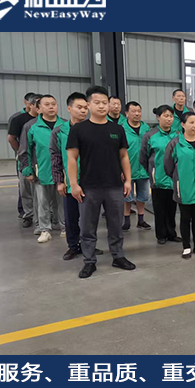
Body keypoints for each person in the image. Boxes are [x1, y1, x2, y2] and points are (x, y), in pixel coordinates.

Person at [67, 86, 136, 279]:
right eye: (96, 102)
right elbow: (71, 159)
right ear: (88, 105)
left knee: (116, 225)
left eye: (104, 102)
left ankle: (118, 256)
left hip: (114, 186)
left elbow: (124, 156)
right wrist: (73, 184)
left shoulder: (117, 129)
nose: (101, 106)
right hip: (89, 187)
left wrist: (128, 180)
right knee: (88, 227)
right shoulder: (79, 129)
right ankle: (89, 261)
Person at [50, 92, 104, 260]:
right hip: (71, 183)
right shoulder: (59, 132)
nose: (83, 111)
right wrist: (60, 181)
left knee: (90, 218)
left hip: (92, 182)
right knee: (71, 217)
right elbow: (56, 157)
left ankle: (89, 245)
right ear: (69, 108)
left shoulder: (95, 129)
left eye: (85, 108)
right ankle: (73, 246)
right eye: (79, 107)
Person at [18, 94, 66, 243]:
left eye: (53, 104)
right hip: (41, 171)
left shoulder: (65, 125)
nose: (51, 107)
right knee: (42, 202)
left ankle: (64, 227)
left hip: (63, 172)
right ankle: (45, 229)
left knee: (62, 201)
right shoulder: (31, 127)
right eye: (47, 104)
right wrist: (27, 171)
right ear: (38, 109)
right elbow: (24, 150)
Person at [164, 112, 195, 258]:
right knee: (185, 218)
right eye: (191, 122)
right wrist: (179, 179)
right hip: (184, 187)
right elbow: (168, 166)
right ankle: (186, 246)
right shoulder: (175, 144)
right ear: (183, 125)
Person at [140, 105, 181, 245]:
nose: (169, 119)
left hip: (173, 179)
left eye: (171, 116)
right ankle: (161, 235)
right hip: (158, 179)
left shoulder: (177, 135)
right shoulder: (150, 136)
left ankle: (171, 233)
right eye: (166, 116)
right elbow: (143, 157)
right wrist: (152, 172)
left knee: (172, 209)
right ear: (158, 117)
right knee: (159, 209)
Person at [121, 101, 151, 232]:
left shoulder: (146, 129)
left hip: (143, 169)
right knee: (127, 196)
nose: (137, 114)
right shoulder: (121, 129)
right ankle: (126, 220)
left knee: (143, 196)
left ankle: (141, 220)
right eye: (133, 111)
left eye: (139, 111)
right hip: (127, 169)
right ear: (127, 113)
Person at [8, 92, 37, 227]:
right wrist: (21, 152)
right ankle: (27, 214)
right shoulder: (18, 119)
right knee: (25, 187)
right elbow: (11, 138)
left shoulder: (47, 120)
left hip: (41, 159)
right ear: (29, 104)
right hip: (25, 157)